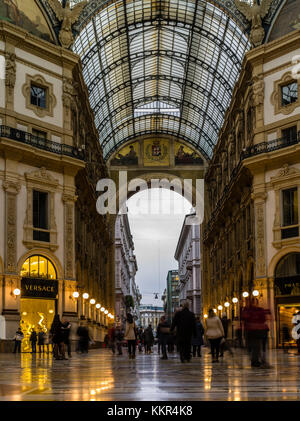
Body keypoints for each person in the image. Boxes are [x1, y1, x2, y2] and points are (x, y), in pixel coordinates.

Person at [241, 299, 271, 368]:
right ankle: (256, 361)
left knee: (256, 347)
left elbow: (264, 318)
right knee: (256, 347)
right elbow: (264, 318)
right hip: (254, 331)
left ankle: (256, 361)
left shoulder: (251, 310)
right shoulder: (253, 310)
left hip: (255, 331)